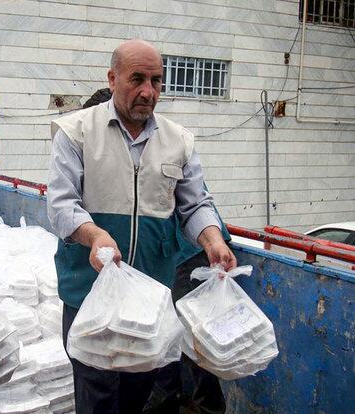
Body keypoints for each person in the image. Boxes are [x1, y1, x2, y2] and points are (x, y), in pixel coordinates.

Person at [47, 39, 236, 414]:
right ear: (112, 78)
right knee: (97, 396)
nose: (148, 91)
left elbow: (195, 203)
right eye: (137, 79)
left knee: (142, 396)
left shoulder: (178, 140)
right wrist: (96, 235)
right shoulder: (76, 132)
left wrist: (212, 239)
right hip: (89, 293)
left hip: (149, 299)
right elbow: (61, 205)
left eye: (156, 80)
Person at [80, 88, 229, 414]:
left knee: (174, 340)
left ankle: (191, 406)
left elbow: (191, 206)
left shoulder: (159, 148)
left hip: (188, 255)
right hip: (177, 254)